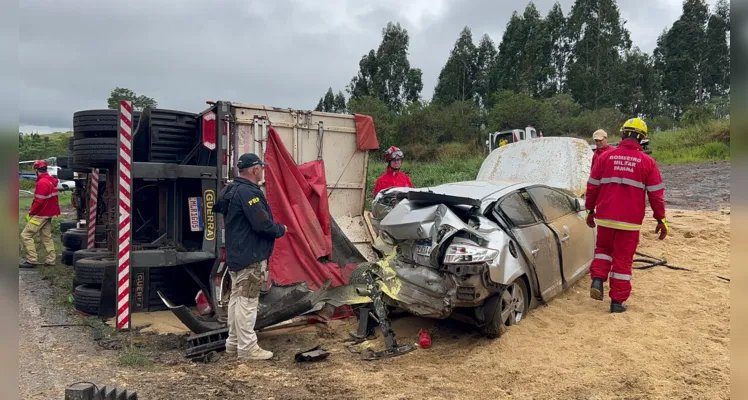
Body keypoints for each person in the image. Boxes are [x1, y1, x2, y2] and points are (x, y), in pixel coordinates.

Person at [585, 117, 668, 313]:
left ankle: (597, 280)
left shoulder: (604, 157)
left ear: (622, 134)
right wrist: (661, 219)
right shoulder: (648, 162)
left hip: (605, 217)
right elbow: (656, 195)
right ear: (642, 139)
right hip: (629, 222)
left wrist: (589, 211)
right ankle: (616, 303)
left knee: (603, 249)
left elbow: (592, 187)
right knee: (622, 259)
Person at [222, 153, 286, 360]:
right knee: (248, 301)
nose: (262, 171)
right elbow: (262, 224)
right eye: (261, 167)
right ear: (255, 170)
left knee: (236, 299)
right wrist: (280, 229)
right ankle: (248, 348)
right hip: (250, 255)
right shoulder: (250, 193)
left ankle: (233, 343)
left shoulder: (231, 190)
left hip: (236, 253)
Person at [20, 160, 60, 268]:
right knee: (46, 237)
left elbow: (39, 201)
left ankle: (31, 260)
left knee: (25, 235)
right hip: (49, 213)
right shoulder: (51, 180)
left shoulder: (42, 182)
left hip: (41, 214)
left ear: (37, 170)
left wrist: (31, 212)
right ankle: (51, 260)